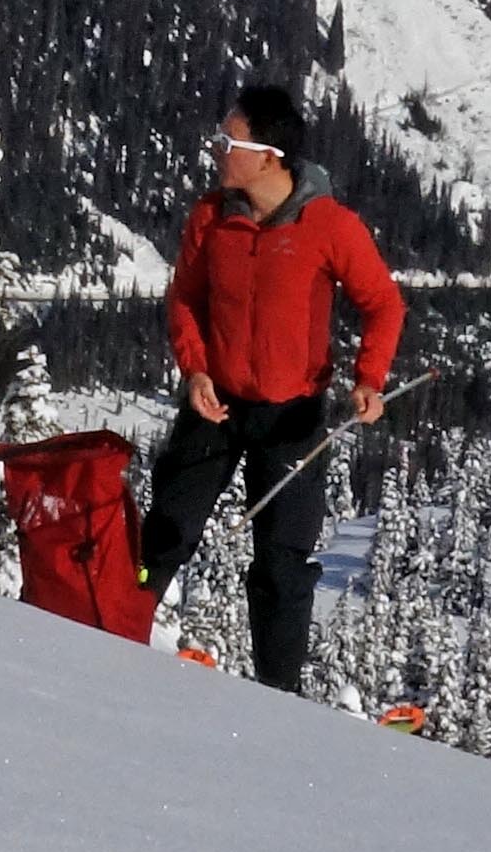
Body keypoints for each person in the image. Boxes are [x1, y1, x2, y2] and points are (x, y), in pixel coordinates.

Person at [140, 82, 403, 691]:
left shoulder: (329, 226)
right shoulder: (211, 217)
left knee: (282, 569)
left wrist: (370, 381)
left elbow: (382, 303)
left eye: (228, 139)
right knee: (163, 539)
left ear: (267, 155)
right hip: (215, 406)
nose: (216, 148)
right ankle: (117, 634)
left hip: (292, 418)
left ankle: (278, 700)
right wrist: (196, 369)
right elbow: (185, 298)